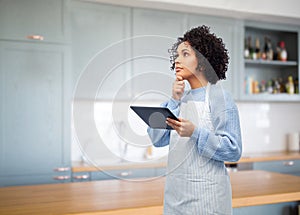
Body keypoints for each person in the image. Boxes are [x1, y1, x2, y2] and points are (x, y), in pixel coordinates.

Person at [147, 25, 242, 214]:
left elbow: (233, 151)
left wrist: (195, 133)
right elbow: (156, 139)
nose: (177, 61)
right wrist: (174, 100)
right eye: (177, 55)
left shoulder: (220, 97)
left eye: (185, 54)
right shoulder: (179, 99)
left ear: (202, 61)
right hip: (176, 198)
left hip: (207, 200)